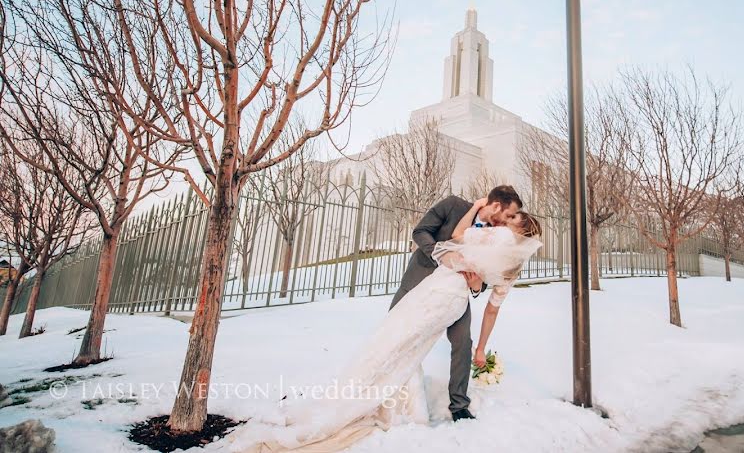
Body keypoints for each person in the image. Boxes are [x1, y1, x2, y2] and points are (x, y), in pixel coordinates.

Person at [222, 202, 542, 453]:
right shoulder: (512, 266)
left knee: (390, 342)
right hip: (451, 300)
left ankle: (360, 400)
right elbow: (491, 310)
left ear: (517, 228)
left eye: (511, 218)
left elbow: (458, 237)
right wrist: (481, 346)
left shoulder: (495, 236)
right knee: (406, 350)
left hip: (438, 294)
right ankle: (402, 407)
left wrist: (475, 208)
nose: (504, 219)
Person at [389, 185, 522, 422]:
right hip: (419, 280)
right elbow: (420, 232)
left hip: (454, 294)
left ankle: (459, 404)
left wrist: (476, 287)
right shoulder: (453, 205)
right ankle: (390, 390)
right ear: (496, 206)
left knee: (463, 342)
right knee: (393, 334)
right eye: (509, 214)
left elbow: (484, 277)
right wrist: (441, 254)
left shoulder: (494, 235)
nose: (509, 221)